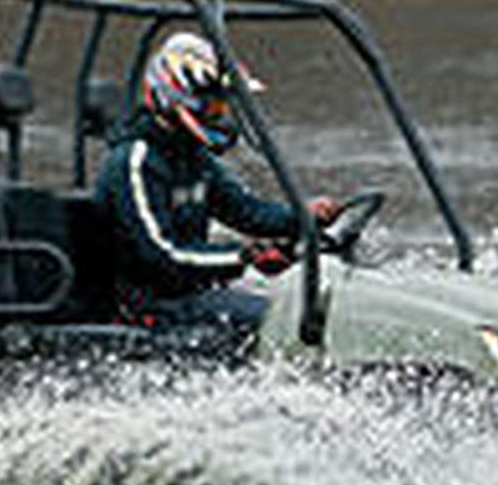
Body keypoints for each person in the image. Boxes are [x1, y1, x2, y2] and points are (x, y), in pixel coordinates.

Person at [93, 31, 340, 332]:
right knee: (279, 322)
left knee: (299, 306)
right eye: (213, 105)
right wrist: (242, 256)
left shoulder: (192, 157)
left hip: (191, 295)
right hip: (148, 308)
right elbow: (160, 254)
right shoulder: (135, 161)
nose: (221, 114)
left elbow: (247, 211)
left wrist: (304, 216)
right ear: (179, 97)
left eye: (222, 105)